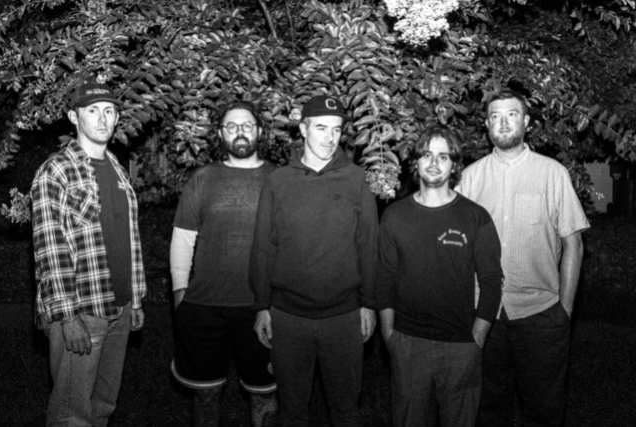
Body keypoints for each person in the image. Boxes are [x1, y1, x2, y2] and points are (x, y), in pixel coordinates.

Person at [456, 90, 589, 427]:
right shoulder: (469, 178)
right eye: (495, 116)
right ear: (487, 125)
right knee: (487, 410)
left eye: (512, 115)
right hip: (483, 315)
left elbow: (573, 244)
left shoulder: (553, 173)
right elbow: (456, 248)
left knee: (544, 412)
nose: (503, 123)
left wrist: (564, 311)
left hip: (541, 315)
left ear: (526, 122)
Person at [249, 95, 379, 427]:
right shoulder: (278, 181)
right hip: (288, 317)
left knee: (346, 410)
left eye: (336, 130)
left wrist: (369, 304)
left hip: (344, 317)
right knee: (292, 411)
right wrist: (262, 305)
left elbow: (368, 246)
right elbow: (263, 247)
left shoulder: (357, 180)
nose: (330, 138)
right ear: (304, 129)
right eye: (321, 128)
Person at [31, 79, 147, 426]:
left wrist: (135, 300)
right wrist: (67, 317)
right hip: (83, 310)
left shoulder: (118, 170)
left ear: (117, 118)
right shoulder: (56, 170)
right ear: (74, 117)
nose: (102, 118)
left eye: (109, 111)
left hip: (120, 308)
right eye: (92, 110)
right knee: (71, 414)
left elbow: (129, 237)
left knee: (103, 407)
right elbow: (50, 247)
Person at [377, 126, 503, 427]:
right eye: (427, 155)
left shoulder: (476, 217)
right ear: (416, 162)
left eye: (443, 156)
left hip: (461, 346)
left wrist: (476, 340)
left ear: (454, 165)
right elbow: (384, 279)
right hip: (408, 344)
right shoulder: (394, 216)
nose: (434, 163)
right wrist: (390, 336)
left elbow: (491, 282)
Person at [170, 100, 277, 427]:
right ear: (220, 134)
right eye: (231, 126)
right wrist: (180, 296)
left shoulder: (280, 179)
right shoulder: (202, 178)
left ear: (260, 131)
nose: (240, 132)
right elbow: (183, 239)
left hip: (262, 308)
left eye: (247, 125)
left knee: (264, 394)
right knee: (205, 393)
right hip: (204, 306)